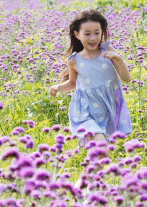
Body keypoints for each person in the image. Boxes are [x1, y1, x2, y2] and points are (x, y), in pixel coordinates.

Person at [49, 9, 132, 146]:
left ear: (102, 32)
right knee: (98, 141)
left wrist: (118, 59)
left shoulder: (108, 51)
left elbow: (126, 78)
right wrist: (57, 87)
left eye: (97, 33)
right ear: (77, 34)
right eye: (87, 34)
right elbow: (73, 83)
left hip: (108, 106)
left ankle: (94, 167)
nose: (93, 38)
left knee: (102, 147)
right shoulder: (74, 60)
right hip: (86, 109)